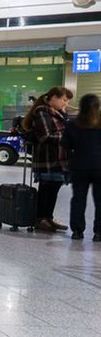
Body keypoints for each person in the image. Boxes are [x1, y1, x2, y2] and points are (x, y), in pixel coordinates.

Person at [24, 86, 73, 233]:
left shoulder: (59, 113)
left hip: (59, 157)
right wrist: (68, 138)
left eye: (67, 100)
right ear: (53, 98)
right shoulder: (42, 112)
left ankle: (48, 217)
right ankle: (40, 219)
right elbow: (45, 136)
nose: (66, 103)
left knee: (54, 188)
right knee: (46, 189)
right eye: (64, 100)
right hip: (47, 157)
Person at [64, 93, 101, 241]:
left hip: (79, 166)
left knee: (78, 199)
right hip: (100, 167)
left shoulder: (73, 123)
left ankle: (77, 231)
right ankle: (99, 233)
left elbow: (66, 145)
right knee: (100, 201)